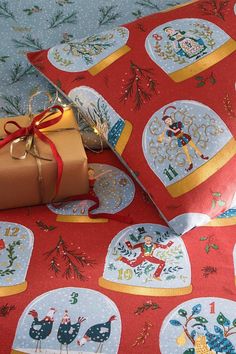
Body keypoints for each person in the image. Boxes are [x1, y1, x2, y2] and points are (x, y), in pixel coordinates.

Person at [157, 106, 208, 171]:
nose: (168, 121)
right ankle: (190, 164)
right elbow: (169, 140)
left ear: (171, 119)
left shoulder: (177, 124)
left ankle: (202, 156)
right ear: (165, 123)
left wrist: (169, 128)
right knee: (186, 152)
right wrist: (163, 139)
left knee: (194, 146)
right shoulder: (168, 131)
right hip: (179, 140)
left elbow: (176, 131)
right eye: (166, 121)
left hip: (184, 136)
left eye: (168, 119)